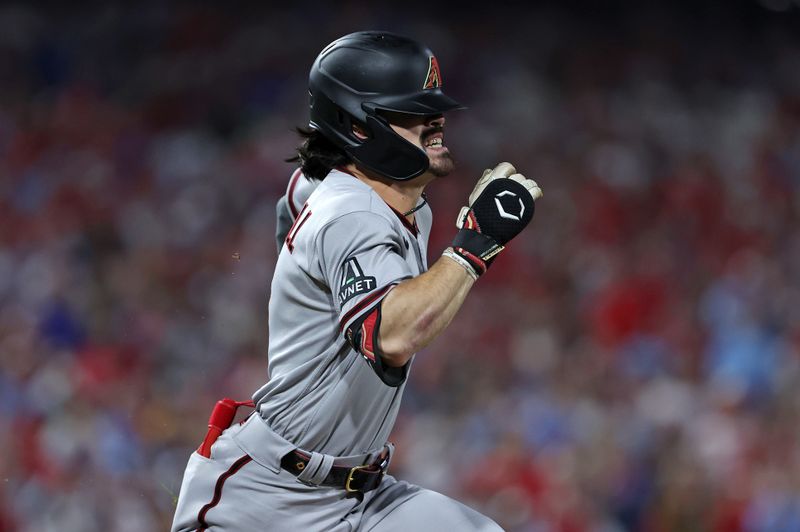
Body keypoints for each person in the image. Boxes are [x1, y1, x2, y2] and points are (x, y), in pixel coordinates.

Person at [171, 30, 542, 531]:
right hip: (269, 499)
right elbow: (393, 335)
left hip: (360, 498)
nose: (436, 122)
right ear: (360, 128)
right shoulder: (353, 213)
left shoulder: (378, 197)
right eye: (412, 111)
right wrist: (474, 246)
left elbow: (302, 188)